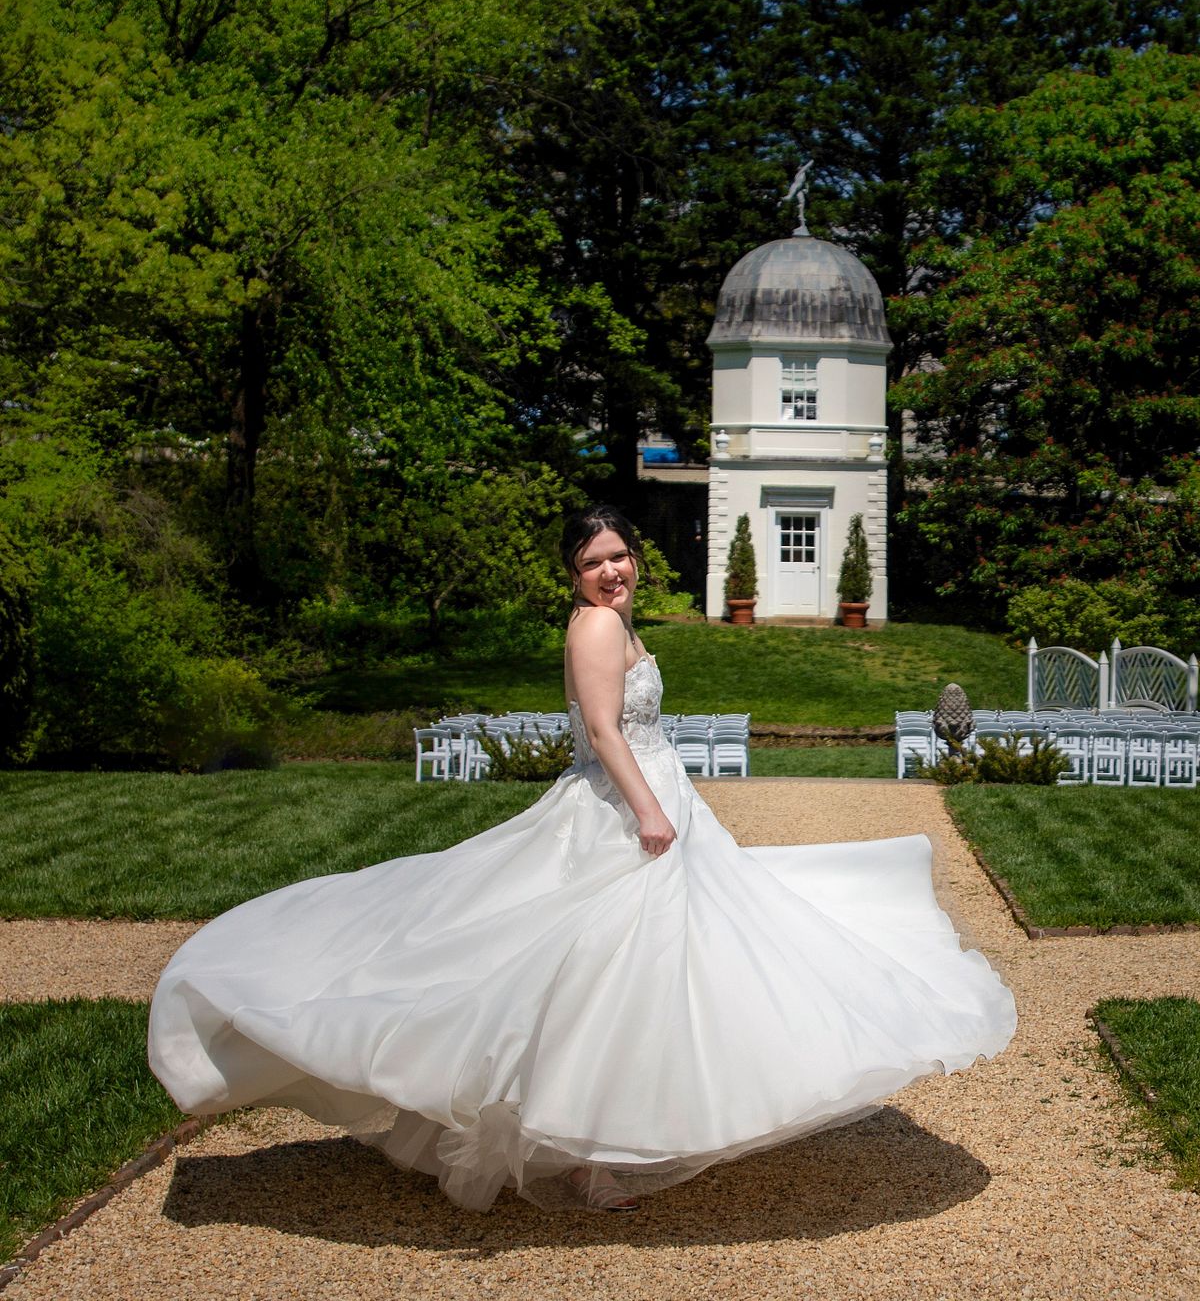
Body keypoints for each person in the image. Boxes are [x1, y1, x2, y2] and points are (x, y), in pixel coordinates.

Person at [149, 504, 1016, 1214]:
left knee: (656, 978)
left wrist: (668, 802)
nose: (613, 572)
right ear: (575, 575)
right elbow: (602, 731)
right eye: (595, 561)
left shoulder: (619, 622)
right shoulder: (597, 628)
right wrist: (647, 812)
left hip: (661, 801)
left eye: (621, 556)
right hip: (619, 813)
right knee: (591, 976)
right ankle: (586, 1148)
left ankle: (618, 1132)